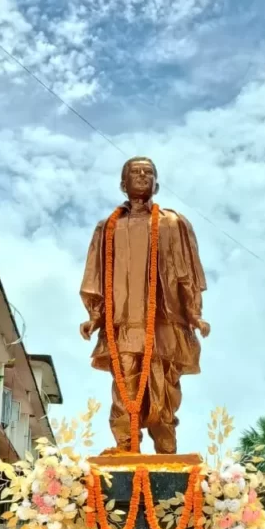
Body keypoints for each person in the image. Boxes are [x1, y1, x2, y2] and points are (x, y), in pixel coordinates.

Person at [80, 157, 210, 453]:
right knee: (125, 387)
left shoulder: (172, 223)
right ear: (123, 184)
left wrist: (194, 313)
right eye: (134, 173)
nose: (141, 176)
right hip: (123, 325)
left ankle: (166, 448)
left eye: (148, 172)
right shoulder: (108, 227)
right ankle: (126, 447)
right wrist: (95, 316)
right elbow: (97, 276)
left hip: (165, 322)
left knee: (163, 385)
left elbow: (184, 272)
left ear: (157, 183)